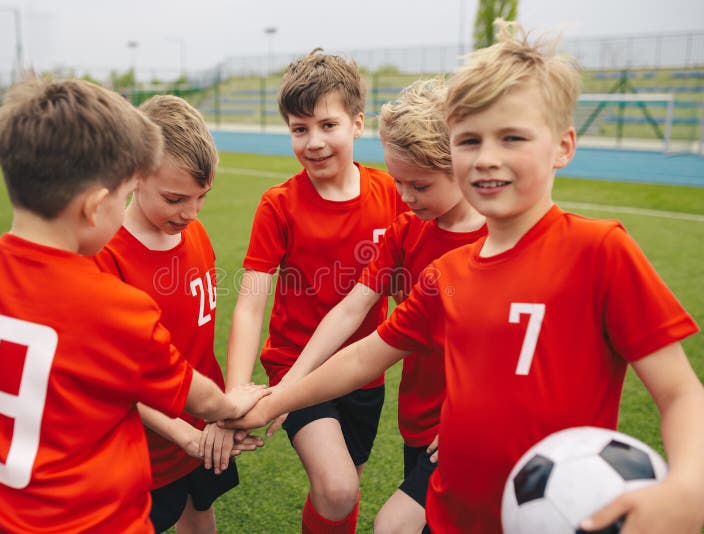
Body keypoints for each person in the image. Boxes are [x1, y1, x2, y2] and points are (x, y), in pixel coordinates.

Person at [225, 21, 704, 534]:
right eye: (469, 140)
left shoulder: (599, 251)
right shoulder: (444, 274)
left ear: (563, 146)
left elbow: (680, 393)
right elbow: (365, 352)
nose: (487, 157)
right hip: (454, 504)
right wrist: (268, 401)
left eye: (512, 137)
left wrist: (689, 485)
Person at [0, 77, 267, 533]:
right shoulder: (110, 305)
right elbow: (207, 400)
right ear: (98, 204)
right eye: (124, 191)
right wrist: (251, 402)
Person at [273, 77, 486, 533]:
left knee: (394, 525)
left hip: (471, 428)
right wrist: (288, 385)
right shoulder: (406, 232)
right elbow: (351, 311)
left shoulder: (500, 239)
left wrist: (478, 422)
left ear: (462, 166)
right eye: (398, 182)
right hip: (420, 420)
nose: (404, 198)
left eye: (420, 186)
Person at [225, 48, 407, 533]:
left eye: (328, 125)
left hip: (364, 373)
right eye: (299, 129)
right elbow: (251, 300)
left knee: (343, 493)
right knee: (338, 487)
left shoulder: (392, 194)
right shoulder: (279, 205)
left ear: (358, 123)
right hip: (295, 365)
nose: (314, 142)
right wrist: (238, 387)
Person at [95, 94, 260, 534]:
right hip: (143, 445)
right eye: (174, 199)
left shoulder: (196, 232)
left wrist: (216, 417)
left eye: (201, 197)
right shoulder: (108, 258)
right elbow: (110, 377)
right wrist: (182, 434)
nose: (190, 212)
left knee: (200, 512)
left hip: (204, 428)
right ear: (135, 175)